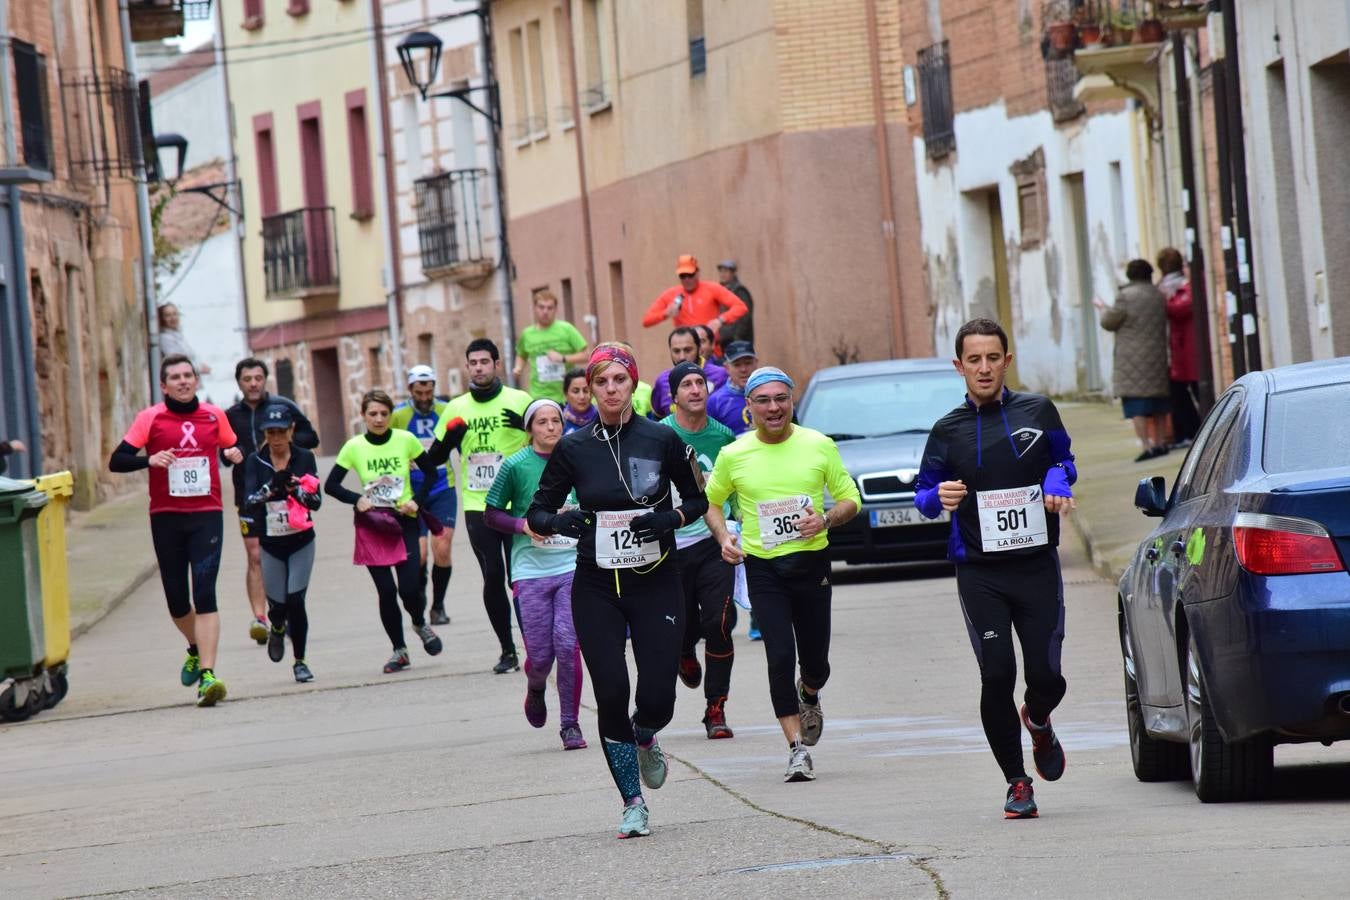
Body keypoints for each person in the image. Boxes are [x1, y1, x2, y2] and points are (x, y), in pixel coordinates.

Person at [526, 342, 707, 839]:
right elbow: (537, 513)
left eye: (619, 381)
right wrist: (565, 519)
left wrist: (667, 518)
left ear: (634, 384)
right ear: (590, 387)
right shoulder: (573, 446)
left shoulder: (662, 438)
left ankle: (647, 734)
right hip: (597, 584)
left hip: (656, 581)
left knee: (657, 697)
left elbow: (697, 499)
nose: (609, 390)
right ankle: (632, 802)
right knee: (610, 691)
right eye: (600, 382)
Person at [913, 317, 1075, 820]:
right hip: (980, 570)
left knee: (1048, 675)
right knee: (997, 672)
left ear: (1007, 361)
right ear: (959, 367)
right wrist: (936, 496)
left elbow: (1065, 462)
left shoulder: (1038, 410)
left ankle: (1040, 718)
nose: (984, 368)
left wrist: (1056, 478)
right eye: (974, 360)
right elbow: (922, 493)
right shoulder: (947, 430)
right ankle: (1017, 781)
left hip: (1035, 565)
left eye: (993, 358)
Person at [705, 367, 860, 783]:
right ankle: (795, 751)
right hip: (763, 567)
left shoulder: (818, 445)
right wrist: (724, 537)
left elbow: (851, 499)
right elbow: (712, 502)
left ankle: (810, 691)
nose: (774, 408)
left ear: (792, 402)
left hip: (811, 565)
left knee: (816, 661)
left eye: (781, 399)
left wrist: (825, 520)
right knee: (778, 656)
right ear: (749, 407)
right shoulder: (734, 455)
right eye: (763, 400)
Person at [109, 354, 242, 707]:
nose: (183, 381)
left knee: (205, 592)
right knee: (176, 599)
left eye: (188, 375)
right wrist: (148, 459)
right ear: (164, 385)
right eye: (175, 377)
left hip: (206, 514)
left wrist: (233, 454)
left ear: (195, 381)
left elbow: (229, 447)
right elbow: (117, 460)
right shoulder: (150, 418)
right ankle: (195, 647)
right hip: (166, 515)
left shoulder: (214, 415)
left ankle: (209, 675)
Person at [484, 399, 587, 751]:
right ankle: (536, 686)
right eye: (541, 422)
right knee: (541, 657)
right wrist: (523, 525)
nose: (550, 427)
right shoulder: (515, 465)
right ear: (530, 429)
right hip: (529, 571)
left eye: (555, 420)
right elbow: (491, 514)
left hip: (572, 566)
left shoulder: (576, 458)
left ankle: (570, 724)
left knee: (567, 644)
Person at [424, 339, 531, 673]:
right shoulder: (455, 408)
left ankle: (535, 648)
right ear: (467, 367)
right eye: (474, 362)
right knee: (493, 575)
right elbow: (433, 462)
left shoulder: (520, 400)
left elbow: (548, 440)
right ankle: (507, 650)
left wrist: (526, 425)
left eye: (486, 361)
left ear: (497, 364)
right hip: (478, 504)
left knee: (522, 578)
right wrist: (449, 439)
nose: (480, 367)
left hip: (518, 503)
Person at [325, 390, 445, 673]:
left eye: (384, 414)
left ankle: (419, 622)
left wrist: (417, 499)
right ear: (363, 416)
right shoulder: (354, 447)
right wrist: (356, 499)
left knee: (409, 588)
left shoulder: (406, 440)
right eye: (373, 414)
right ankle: (399, 650)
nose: (379, 419)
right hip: (373, 526)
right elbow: (331, 485)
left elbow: (431, 473)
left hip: (404, 521)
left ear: (391, 415)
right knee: (387, 591)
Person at [659, 361, 739, 739]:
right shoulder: (659, 436)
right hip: (670, 547)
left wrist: (738, 529)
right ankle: (683, 651)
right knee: (683, 626)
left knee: (720, 623)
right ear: (673, 396)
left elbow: (737, 488)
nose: (695, 389)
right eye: (686, 384)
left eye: (700, 383)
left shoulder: (723, 437)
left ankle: (715, 707)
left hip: (714, 541)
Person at [223, 358, 320, 645]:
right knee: (255, 555)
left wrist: (284, 441)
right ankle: (260, 617)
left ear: (265, 380)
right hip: (250, 495)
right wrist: (234, 453)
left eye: (258, 378)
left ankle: (284, 609)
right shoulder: (230, 416)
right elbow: (222, 455)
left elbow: (310, 438)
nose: (253, 383)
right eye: (247, 379)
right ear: (239, 383)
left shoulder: (282, 407)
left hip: (287, 496)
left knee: (285, 551)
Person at [242, 404, 322, 683]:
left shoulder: (304, 458)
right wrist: (271, 489)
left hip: (301, 540)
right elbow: (249, 501)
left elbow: (316, 501)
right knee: (278, 606)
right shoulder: (256, 460)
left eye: (281, 432)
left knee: (296, 600)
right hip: (271, 542)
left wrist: (296, 490)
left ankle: (300, 661)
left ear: (291, 431)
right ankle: (277, 627)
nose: (276, 439)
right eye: (270, 433)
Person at [390, 365, 457, 626]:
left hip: (442, 485)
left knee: (442, 547)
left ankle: (438, 605)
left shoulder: (445, 409)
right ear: (410, 390)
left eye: (429, 391)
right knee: (419, 555)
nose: (425, 397)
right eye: (420, 392)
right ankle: (418, 599)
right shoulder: (398, 415)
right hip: (412, 491)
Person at [1096, 259, 1171, 462]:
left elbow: (1109, 322)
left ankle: (1146, 446)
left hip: (1131, 358)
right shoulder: (1158, 294)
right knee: (1159, 403)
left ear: (1130, 275)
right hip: (1157, 354)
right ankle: (1161, 443)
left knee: (1136, 403)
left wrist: (1102, 308)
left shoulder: (1125, 296)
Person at [641, 255, 749, 336]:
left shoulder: (712, 288)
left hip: (712, 351)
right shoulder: (671, 294)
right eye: (683, 276)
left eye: (690, 274)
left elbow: (740, 307)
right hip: (686, 352)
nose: (687, 279)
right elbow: (646, 321)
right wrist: (665, 313)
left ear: (697, 273)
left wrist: (720, 320)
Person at [513, 290, 591, 404]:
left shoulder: (566, 329)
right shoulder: (527, 334)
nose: (545, 312)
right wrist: (518, 368)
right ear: (535, 308)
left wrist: (563, 358)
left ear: (555, 309)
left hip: (564, 396)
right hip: (538, 395)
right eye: (541, 307)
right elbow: (521, 354)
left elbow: (586, 355)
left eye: (550, 308)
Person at [1157, 247, 1200, 447]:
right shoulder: (1180, 286)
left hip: (1185, 348)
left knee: (1186, 392)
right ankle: (1187, 432)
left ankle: (1191, 432)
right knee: (1184, 391)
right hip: (1181, 347)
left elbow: (1179, 309)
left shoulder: (1184, 288)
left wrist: (1163, 301)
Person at [651, 327, 728, 419]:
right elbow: (657, 418)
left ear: (699, 349)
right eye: (676, 351)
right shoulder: (662, 381)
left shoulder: (721, 375)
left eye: (687, 350)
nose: (682, 357)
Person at [707, 341, 758, 436]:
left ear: (756, 363)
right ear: (726, 368)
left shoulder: (771, 394)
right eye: (737, 365)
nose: (743, 369)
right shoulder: (715, 402)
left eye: (748, 363)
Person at [157, 303, 211, 375]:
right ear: (162, 319)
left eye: (175, 314)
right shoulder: (164, 338)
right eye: (168, 315)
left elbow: (190, 356)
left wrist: (201, 365)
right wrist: (199, 368)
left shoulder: (177, 335)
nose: (173, 318)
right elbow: (176, 361)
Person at [716, 260, 754, 347]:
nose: (722, 274)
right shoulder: (720, 289)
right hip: (724, 340)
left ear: (733, 273)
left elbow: (745, 317)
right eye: (721, 271)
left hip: (737, 341)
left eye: (726, 271)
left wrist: (737, 338)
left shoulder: (739, 290)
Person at [561, 368, 597, 434]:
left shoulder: (603, 419)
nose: (582, 396)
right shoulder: (559, 423)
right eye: (575, 391)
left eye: (586, 391)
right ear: (566, 394)